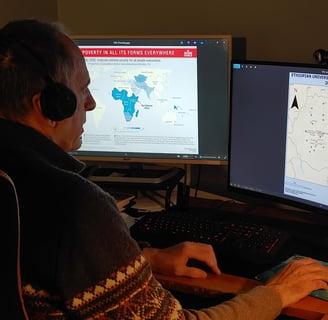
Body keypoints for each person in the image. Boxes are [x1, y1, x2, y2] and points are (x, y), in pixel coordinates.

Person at [0, 19, 327, 320]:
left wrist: (146, 258)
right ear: (51, 104)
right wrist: (277, 293)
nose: (91, 104)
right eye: (83, 88)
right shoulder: (75, 204)